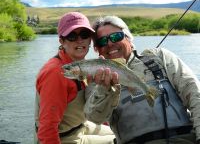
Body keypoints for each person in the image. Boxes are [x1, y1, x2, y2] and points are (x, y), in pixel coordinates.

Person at [84, 15, 200, 144]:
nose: (110, 43)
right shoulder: (93, 77)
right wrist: (104, 89)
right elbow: (95, 118)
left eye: (116, 36)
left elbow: (195, 95)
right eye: (102, 41)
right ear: (96, 49)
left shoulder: (159, 57)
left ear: (129, 38)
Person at [34, 12, 115, 144]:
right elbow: (47, 127)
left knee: (120, 130)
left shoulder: (83, 65)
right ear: (62, 41)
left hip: (80, 126)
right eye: (72, 36)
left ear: (90, 39)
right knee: (122, 139)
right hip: (64, 138)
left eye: (84, 34)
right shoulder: (56, 74)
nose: (79, 40)